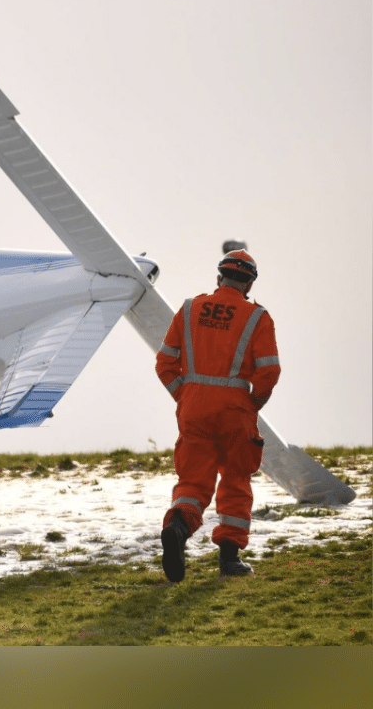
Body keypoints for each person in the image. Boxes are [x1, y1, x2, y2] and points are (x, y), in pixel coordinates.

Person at [155, 249, 280, 582]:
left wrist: (185, 395)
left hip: (194, 407)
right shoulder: (257, 317)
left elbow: (165, 364)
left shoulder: (188, 309)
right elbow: (269, 371)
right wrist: (255, 402)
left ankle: (178, 527)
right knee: (236, 479)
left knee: (193, 479)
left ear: (218, 277)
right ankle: (228, 558)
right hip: (235, 409)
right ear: (249, 283)